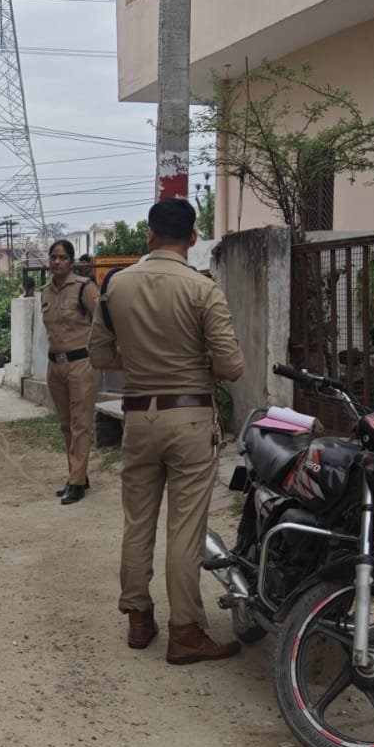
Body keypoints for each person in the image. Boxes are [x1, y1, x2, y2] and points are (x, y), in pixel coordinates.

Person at [88, 198, 244, 664]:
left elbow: (99, 355)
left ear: (150, 234)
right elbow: (231, 367)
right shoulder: (203, 288)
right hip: (190, 419)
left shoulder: (116, 285)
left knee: (138, 522)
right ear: (193, 238)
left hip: (138, 418)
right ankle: (186, 632)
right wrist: (195, 362)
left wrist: (140, 360)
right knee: (185, 529)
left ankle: (138, 617)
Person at [40, 239, 100, 505]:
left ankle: (76, 482)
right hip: (56, 365)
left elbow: (102, 322)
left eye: (62, 257)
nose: (57, 262)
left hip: (81, 364)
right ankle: (78, 474)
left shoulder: (84, 288)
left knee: (80, 423)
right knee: (66, 424)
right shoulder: (45, 292)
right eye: (53, 257)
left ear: (71, 262)